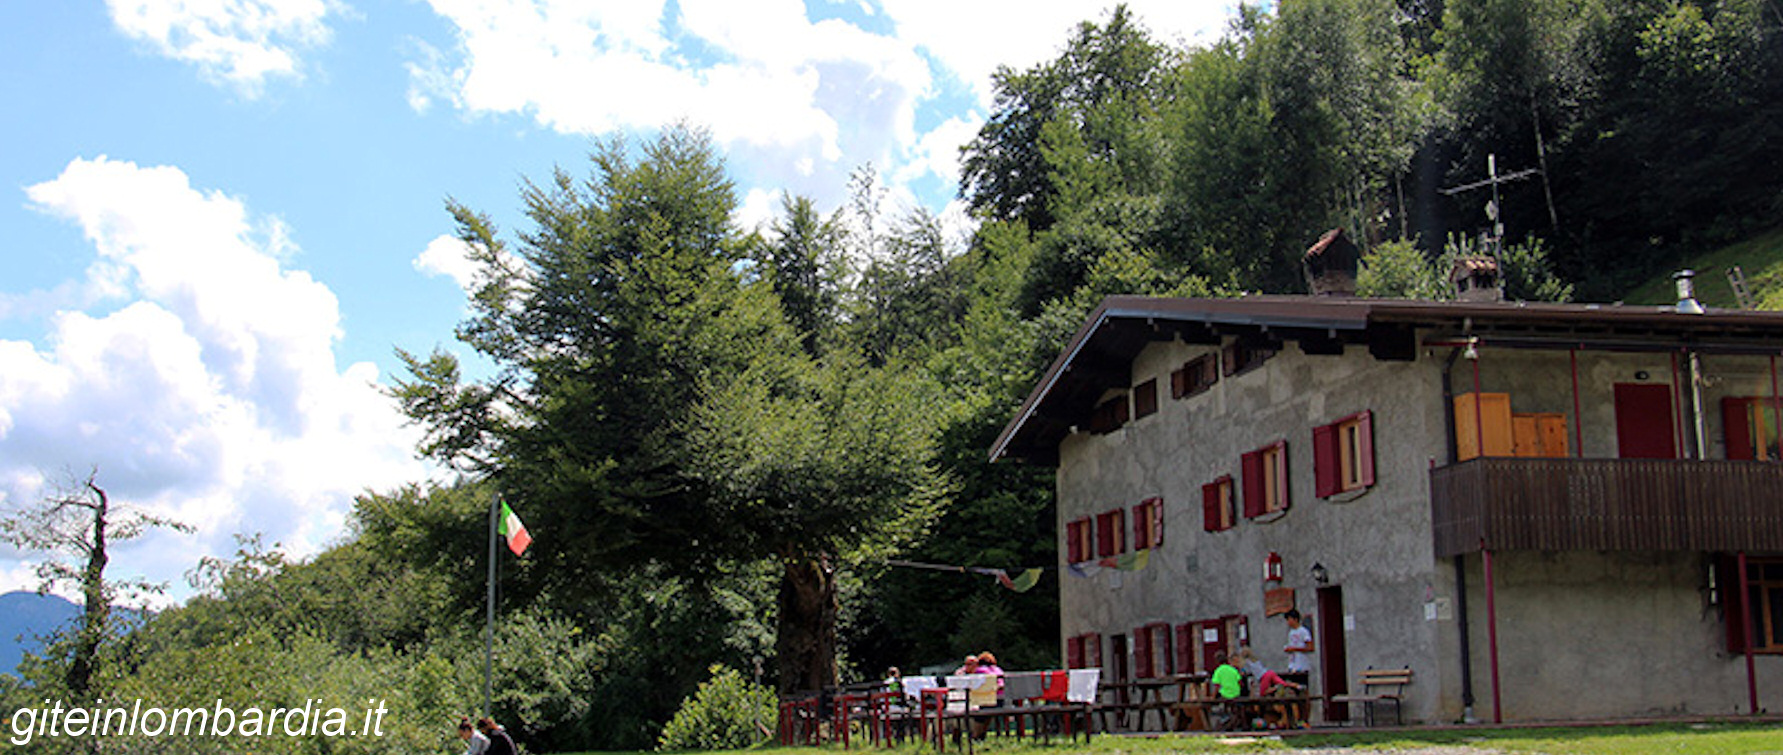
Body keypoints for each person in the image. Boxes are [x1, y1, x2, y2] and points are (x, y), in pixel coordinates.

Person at [1282, 609, 1314, 688]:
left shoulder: (1303, 631)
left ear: (1295, 619)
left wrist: (1295, 649)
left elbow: (1310, 647)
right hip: (1293, 664)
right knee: (1292, 686)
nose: (1288, 622)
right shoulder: (1291, 632)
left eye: (1289, 619)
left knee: (1302, 686)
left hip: (1302, 664)